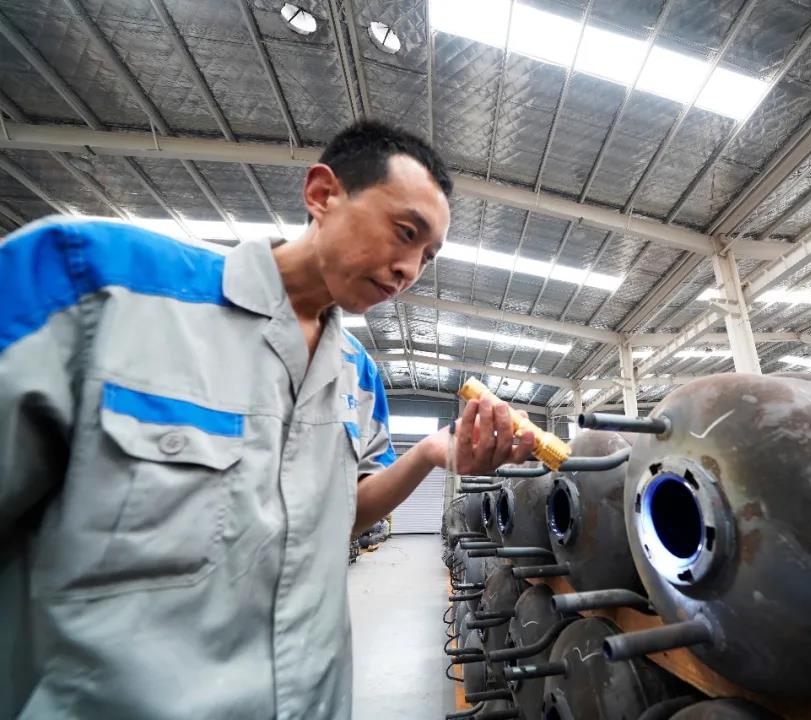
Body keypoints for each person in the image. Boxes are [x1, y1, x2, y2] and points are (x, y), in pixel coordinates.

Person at [0, 122, 537, 718]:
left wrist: (430, 453)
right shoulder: (93, 287)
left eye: (427, 257)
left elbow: (343, 516)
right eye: (405, 233)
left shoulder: (357, 374)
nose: (409, 269)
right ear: (322, 194)